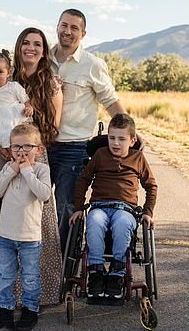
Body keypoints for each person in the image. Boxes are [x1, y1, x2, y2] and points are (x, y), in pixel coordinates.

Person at [0, 28, 63, 310]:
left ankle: (38, 292)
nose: (31, 48)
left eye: (37, 44)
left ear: (44, 49)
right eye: (26, 42)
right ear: (17, 48)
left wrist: (26, 150)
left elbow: (55, 126)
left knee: (34, 218)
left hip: (33, 153)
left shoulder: (51, 82)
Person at [48, 8, 126, 252]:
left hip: (74, 147)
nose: (67, 31)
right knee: (30, 209)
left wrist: (128, 130)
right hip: (39, 145)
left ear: (83, 33)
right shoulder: (43, 58)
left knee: (67, 210)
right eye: (64, 25)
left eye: (74, 27)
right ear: (57, 26)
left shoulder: (92, 64)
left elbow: (110, 99)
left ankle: (63, 273)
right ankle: (34, 270)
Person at [69, 113, 157, 300]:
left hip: (126, 209)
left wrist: (148, 212)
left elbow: (151, 186)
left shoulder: (138, 158)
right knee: (94, 222)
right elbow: (83, 180)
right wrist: (78, 208)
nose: (116, 143)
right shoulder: (100, 155)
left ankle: (117, 274)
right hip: (99, 206)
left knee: (122, 224)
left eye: (121, 139)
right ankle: (97, 272)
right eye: (112, 138)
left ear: (132, 140)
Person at [0, 124, 51, 331]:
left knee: (30, 276)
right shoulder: (8, 168)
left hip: (30, 238)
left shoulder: (41, 169)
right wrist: (12, 171)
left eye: (27, 146)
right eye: (16, 147)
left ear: (38, 149)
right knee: (6, 275)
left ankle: (30, 309)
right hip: (6, 235)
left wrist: (26, 172)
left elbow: (44, 194)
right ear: (10, 148)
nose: (21, 152)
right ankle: (6, 308)